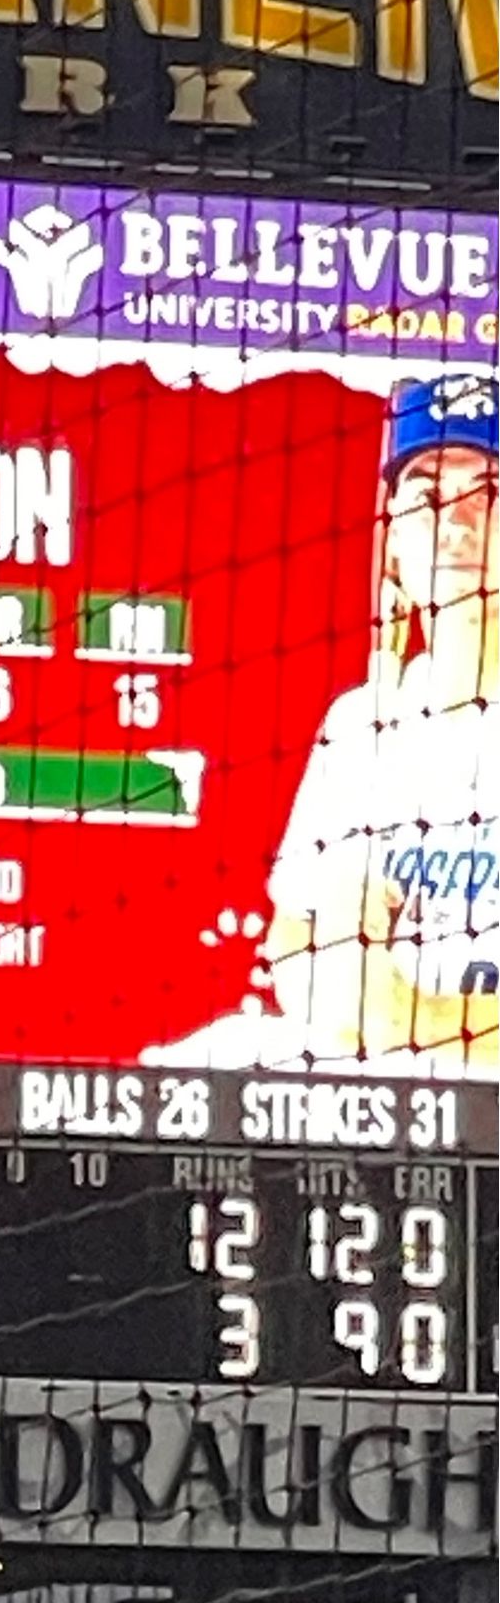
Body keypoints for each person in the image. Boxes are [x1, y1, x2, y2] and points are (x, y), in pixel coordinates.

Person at [148, 371, 498, 1076]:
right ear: (392, 538)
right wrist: (340, 985)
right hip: (365, 1073)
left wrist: (416, 1021)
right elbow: (294, 929)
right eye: (428, 496)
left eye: (487, 492)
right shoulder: (361, 721)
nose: (457, 522)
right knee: (187, 1067)